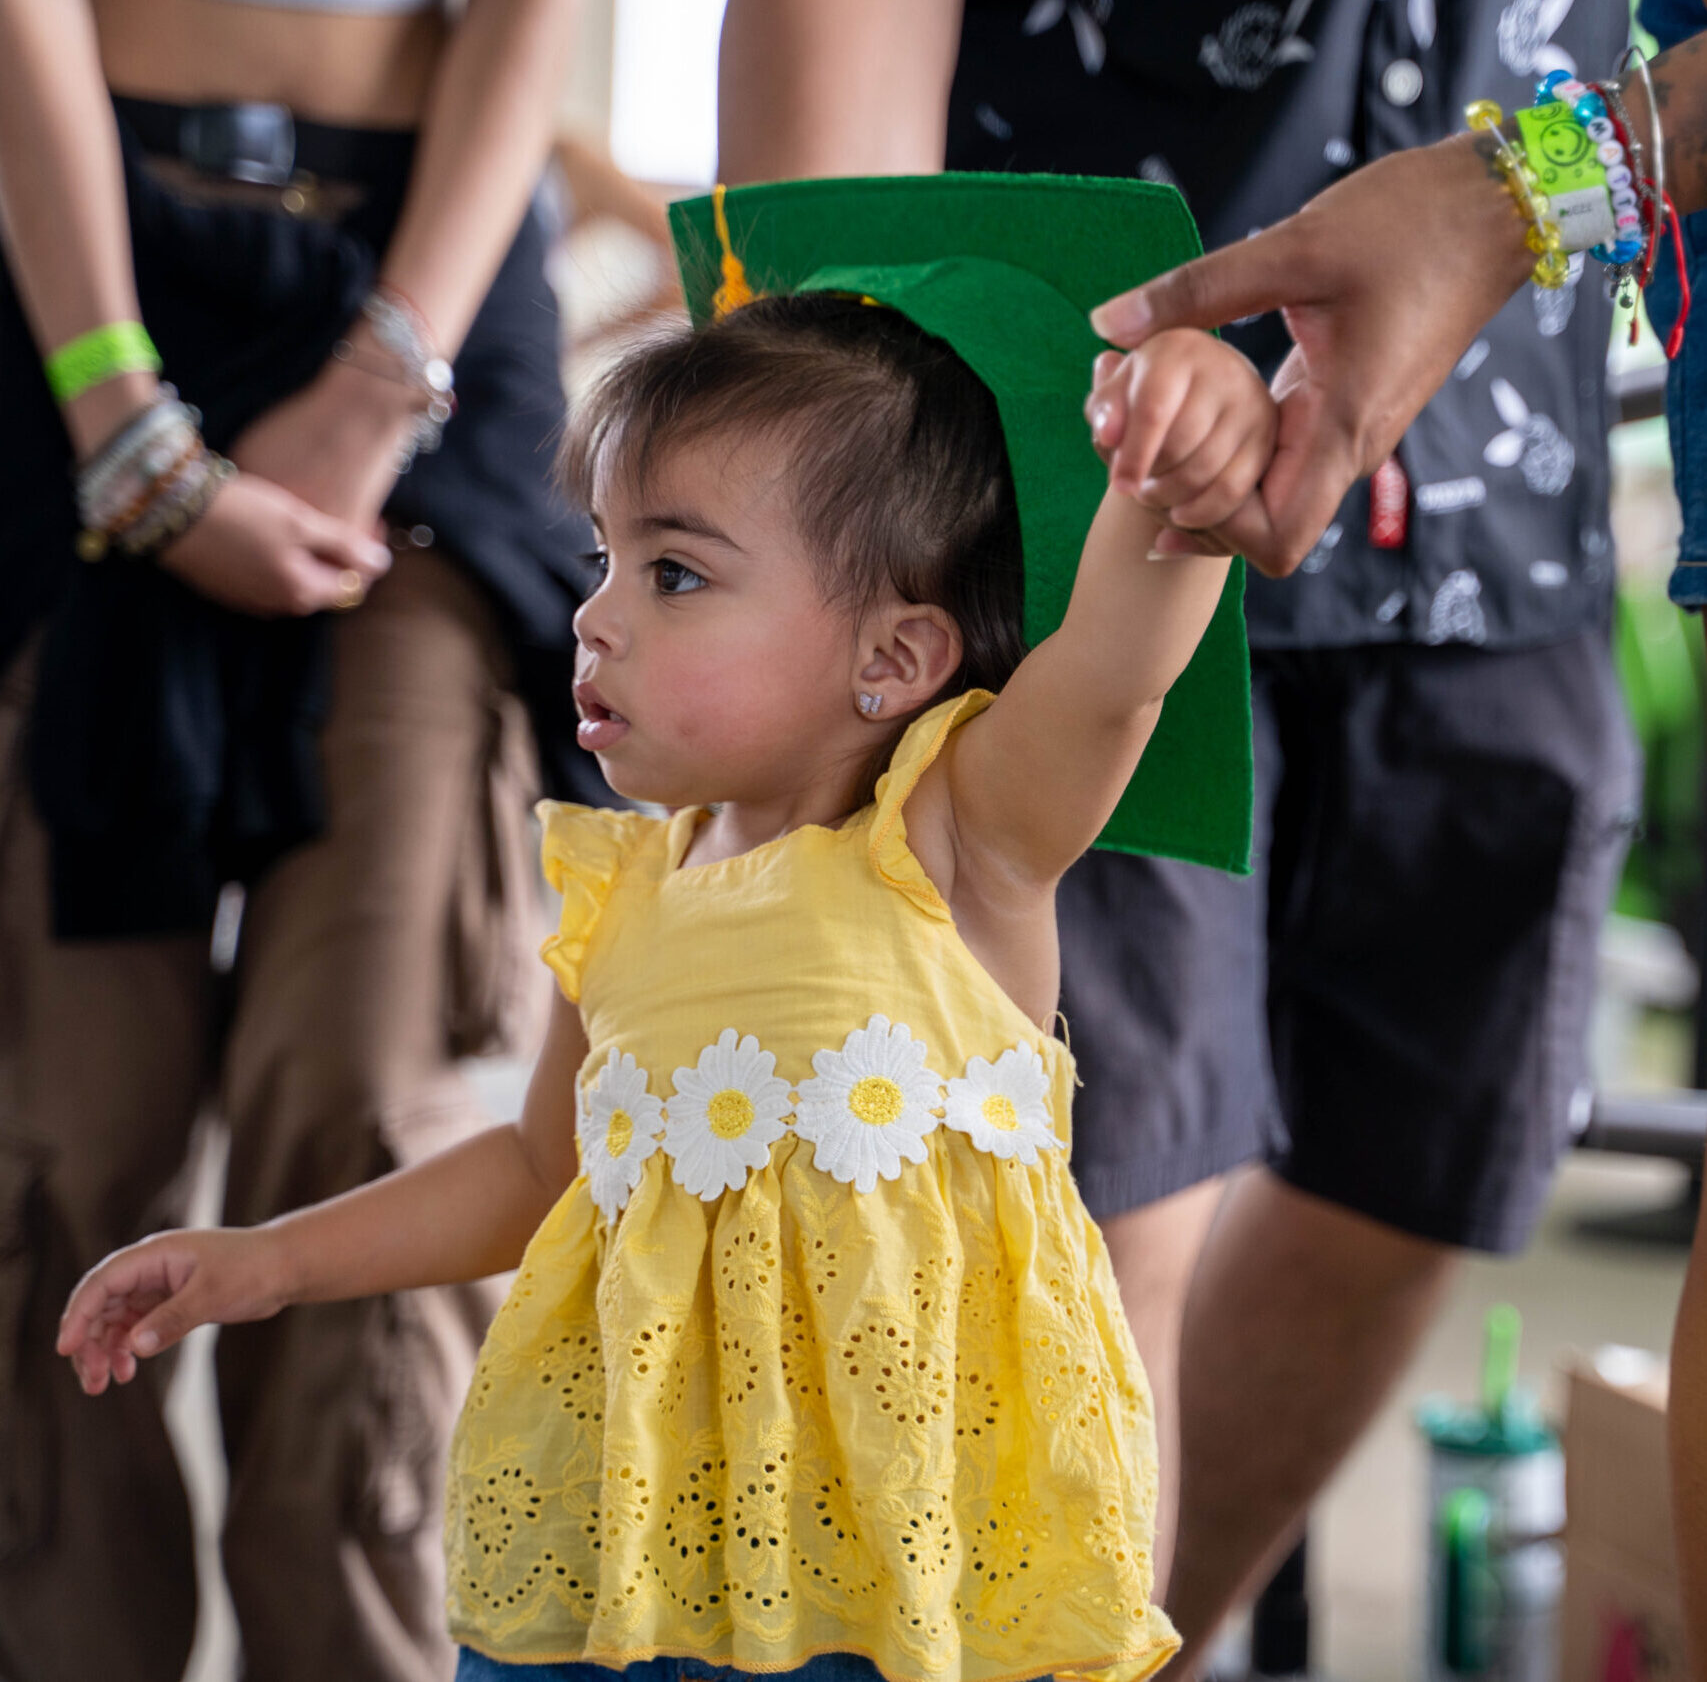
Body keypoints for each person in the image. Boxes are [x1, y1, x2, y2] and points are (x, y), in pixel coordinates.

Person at [57, 172, 1270, 1682]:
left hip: (889, 1570)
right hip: (633, 1546)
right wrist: (272, 1261)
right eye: (605, 563)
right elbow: (531, 1173)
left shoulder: (959, 842)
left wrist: (1183, 477)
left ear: (896, 656)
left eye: (677, 573)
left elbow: (1116, 669)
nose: (596, 616)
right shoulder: (632, 888)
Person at [718, 0, 1639, 1664]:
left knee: (1422, 1166)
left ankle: (1141, 1643)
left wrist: (1555, 185)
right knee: (1094, 1207)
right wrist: (821, 488)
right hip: (1073, 479)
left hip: (1504, 485)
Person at [0, 0, 591, 1679]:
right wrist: (120, 419)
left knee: (366, 1118)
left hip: (432, 280)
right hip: (65, 256)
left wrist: (384, 378)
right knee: (60, 1151)